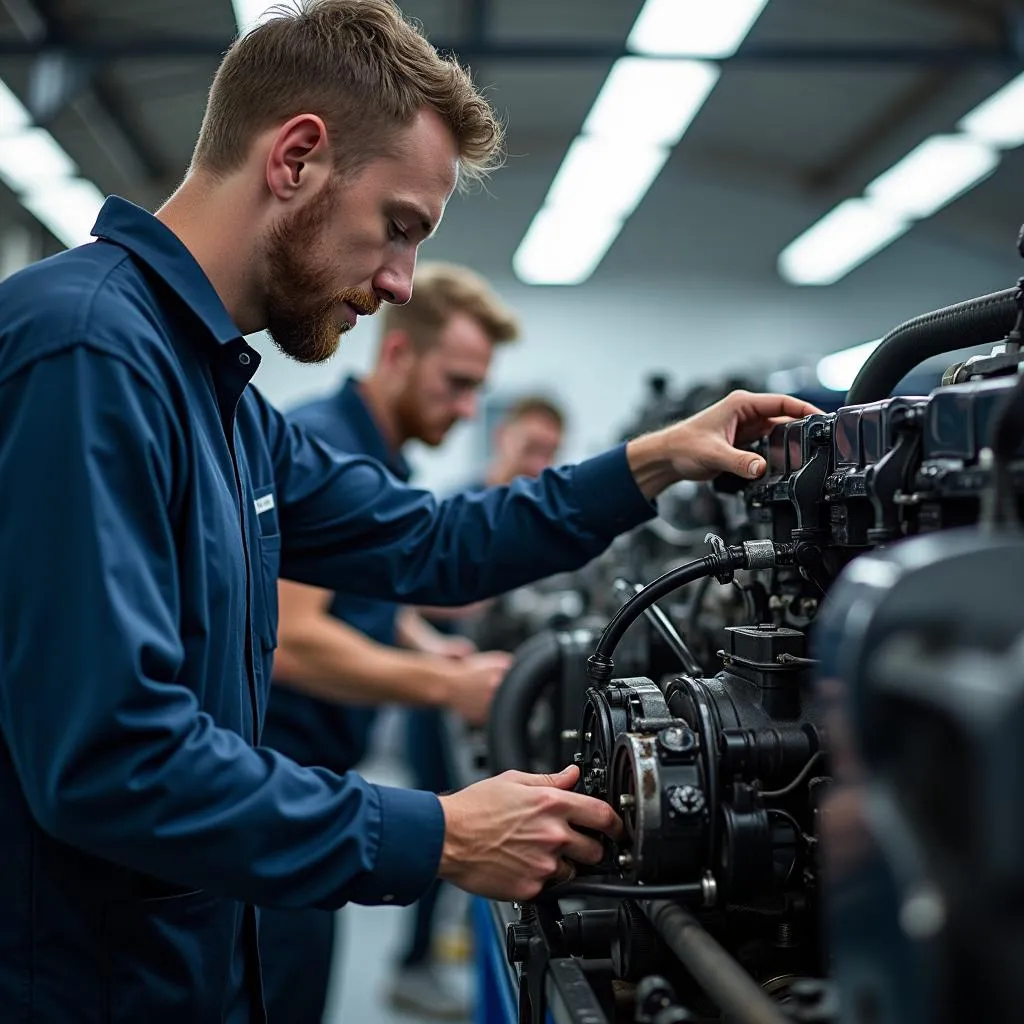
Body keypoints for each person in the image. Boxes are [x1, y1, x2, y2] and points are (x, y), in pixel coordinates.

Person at [0, 2, 819, 1021]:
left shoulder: (222, 398)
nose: (398, 282)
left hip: (191, 962)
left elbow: (435, 543)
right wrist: (436, 832)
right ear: (295, 157)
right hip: (79, 983)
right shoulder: (87, 352)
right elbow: (111, 757)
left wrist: (652, 462)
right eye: (398, 228)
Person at [259, 260, 525, 1022]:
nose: (469, 409)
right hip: (277, 786)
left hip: (317, 780)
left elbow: (354, 595)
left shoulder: (377, 455)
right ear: (398, 354)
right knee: (281, 989)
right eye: (457, 382)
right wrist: (447, 686)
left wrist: (418, 641)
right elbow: (295, 639)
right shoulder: (328, 447)